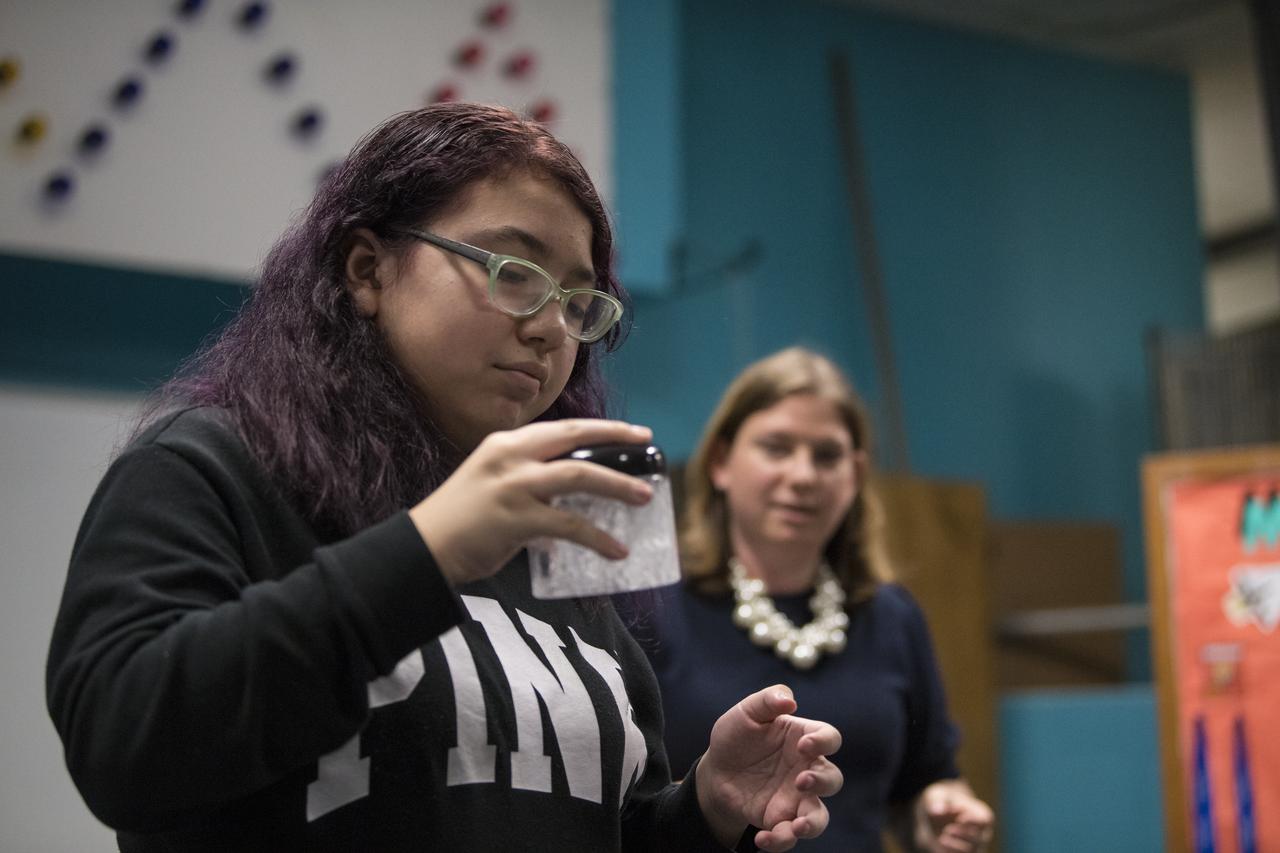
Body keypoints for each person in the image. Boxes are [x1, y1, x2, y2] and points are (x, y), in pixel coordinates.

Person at [44, 104, 843, 852]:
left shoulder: (571, 512)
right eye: (514, 271)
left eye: (578, 301)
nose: (546, 329)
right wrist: (428, 551)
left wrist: (701, 809)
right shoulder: (211, 465)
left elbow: (596, 821)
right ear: (366, 269)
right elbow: (123, 746)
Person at [626, 347, 994, 852]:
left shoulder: (892, 617)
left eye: (827, 455)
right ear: (720, 463)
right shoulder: (647, 609)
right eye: (777, 448)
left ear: (856, 475)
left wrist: (941, 815)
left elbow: (927, 783)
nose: (803, 477)